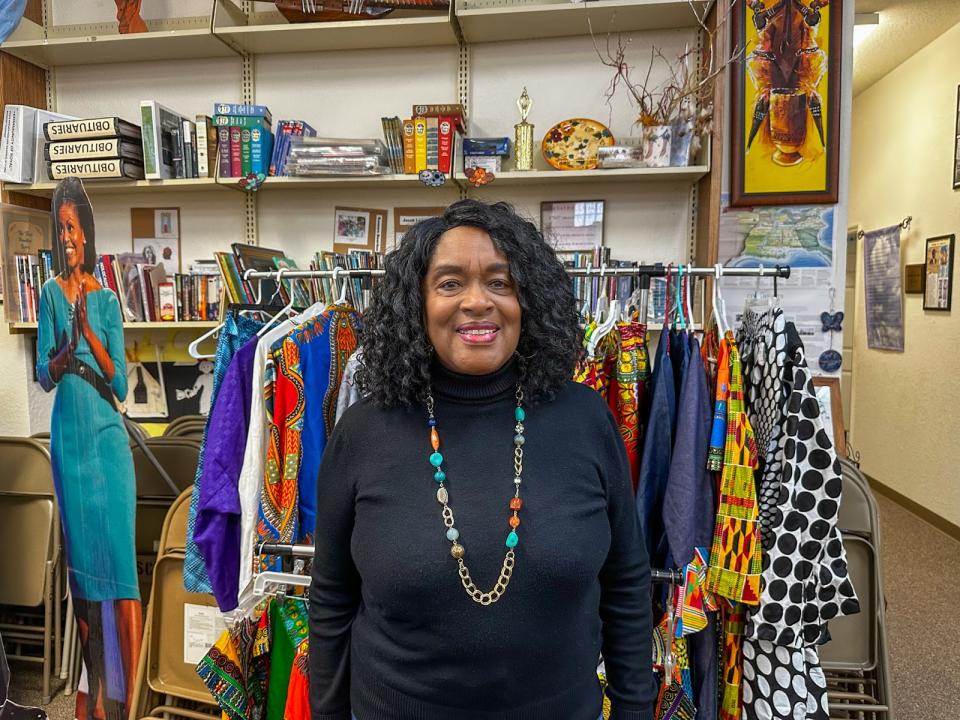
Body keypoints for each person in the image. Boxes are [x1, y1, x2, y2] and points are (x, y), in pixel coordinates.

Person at [309, 199, 654, 720]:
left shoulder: (585, 418)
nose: (478, 302)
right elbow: (333, 599)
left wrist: (635, 710)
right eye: (450, 283)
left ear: (529, 300)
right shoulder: (363, 432)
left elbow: (626, 584)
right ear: (416, 305)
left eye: (501, 282)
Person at [36, 177, 142, 720]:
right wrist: (59, 351)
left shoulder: (106, 298)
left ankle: (133, 699)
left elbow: (121, 384)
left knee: (121, 578)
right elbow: (44, 374)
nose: (68, 238)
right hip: (69, 448)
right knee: (83, 588)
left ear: (88, 233)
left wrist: (90, 337)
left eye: (74, 228)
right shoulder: (49, 293)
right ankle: (95, 699)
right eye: (61, 230)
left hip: (107, 443)